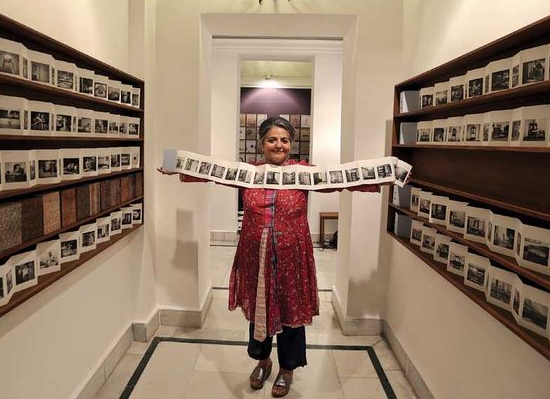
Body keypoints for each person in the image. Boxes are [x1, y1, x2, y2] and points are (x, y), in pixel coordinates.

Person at [160, 116, 398, 397]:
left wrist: (386, 176)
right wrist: (175, 168)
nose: (279, 145)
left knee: (290, 314)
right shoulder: (248, 173)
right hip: (255, 256)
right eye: (272, 139)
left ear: (291, 144)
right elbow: (214, 174)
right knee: (259, 309)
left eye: (284, 140)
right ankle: (263, 361)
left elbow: (341, 180)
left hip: (291, 257)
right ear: (262, 144)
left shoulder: (303, 172)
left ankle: (287, 369)